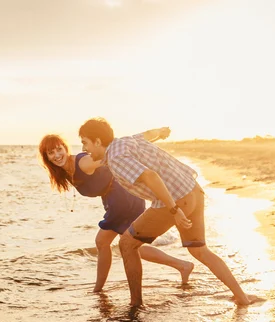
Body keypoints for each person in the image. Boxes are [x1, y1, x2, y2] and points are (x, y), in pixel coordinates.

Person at [78, 117, 259, 307]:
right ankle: (241, 297)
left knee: (127, 244)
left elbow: (150, 176)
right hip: (192, 190)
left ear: (98, 141)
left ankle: (136, 305)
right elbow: (149, 134)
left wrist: (174, 209)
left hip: (176, 200)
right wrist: (161, 131)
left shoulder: (116, 159)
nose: (84, 149)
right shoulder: (126, 140)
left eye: (85, 143)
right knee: (199, 250)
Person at [38, 133, 194, 292]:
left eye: (59, 149)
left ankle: (98, 289)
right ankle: (182, 266)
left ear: (65, 148)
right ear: (47, 158)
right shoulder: (65, 170)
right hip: (116, 199)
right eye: (51, 153)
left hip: (122, 198)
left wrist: (150, 136)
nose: (57, 155)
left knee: (105, 242)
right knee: (130, 245)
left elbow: (112, 153)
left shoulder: (83, 162)